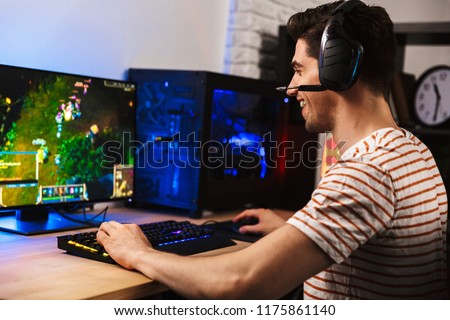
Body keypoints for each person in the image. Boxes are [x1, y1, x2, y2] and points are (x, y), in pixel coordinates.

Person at [97, 0, 448, 299]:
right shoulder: (410, 149)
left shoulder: (366, 172)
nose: (291, 88)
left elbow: (240, 283)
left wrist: (138, 252)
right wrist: (290, 226)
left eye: (298, 70)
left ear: (338, 69)